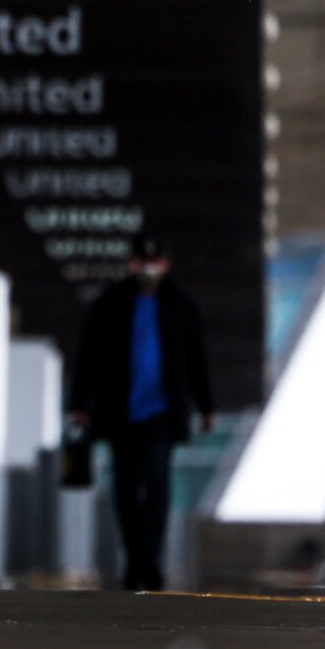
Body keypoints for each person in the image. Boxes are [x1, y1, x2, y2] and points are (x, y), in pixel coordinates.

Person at [69, 235, 215, 591]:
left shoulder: (182, 307)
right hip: (120, 413)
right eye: (142, 260)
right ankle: (137, 556)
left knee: (156, 483)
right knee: (125, 488)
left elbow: (196, 361)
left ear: (166, 265)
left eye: (156, 261)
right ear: (132, 263)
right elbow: (89, 356)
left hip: (161, 414)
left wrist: (206, 405)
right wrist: (80, 403)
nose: (149, 268)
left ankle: (147, 559)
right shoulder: (110, 304)